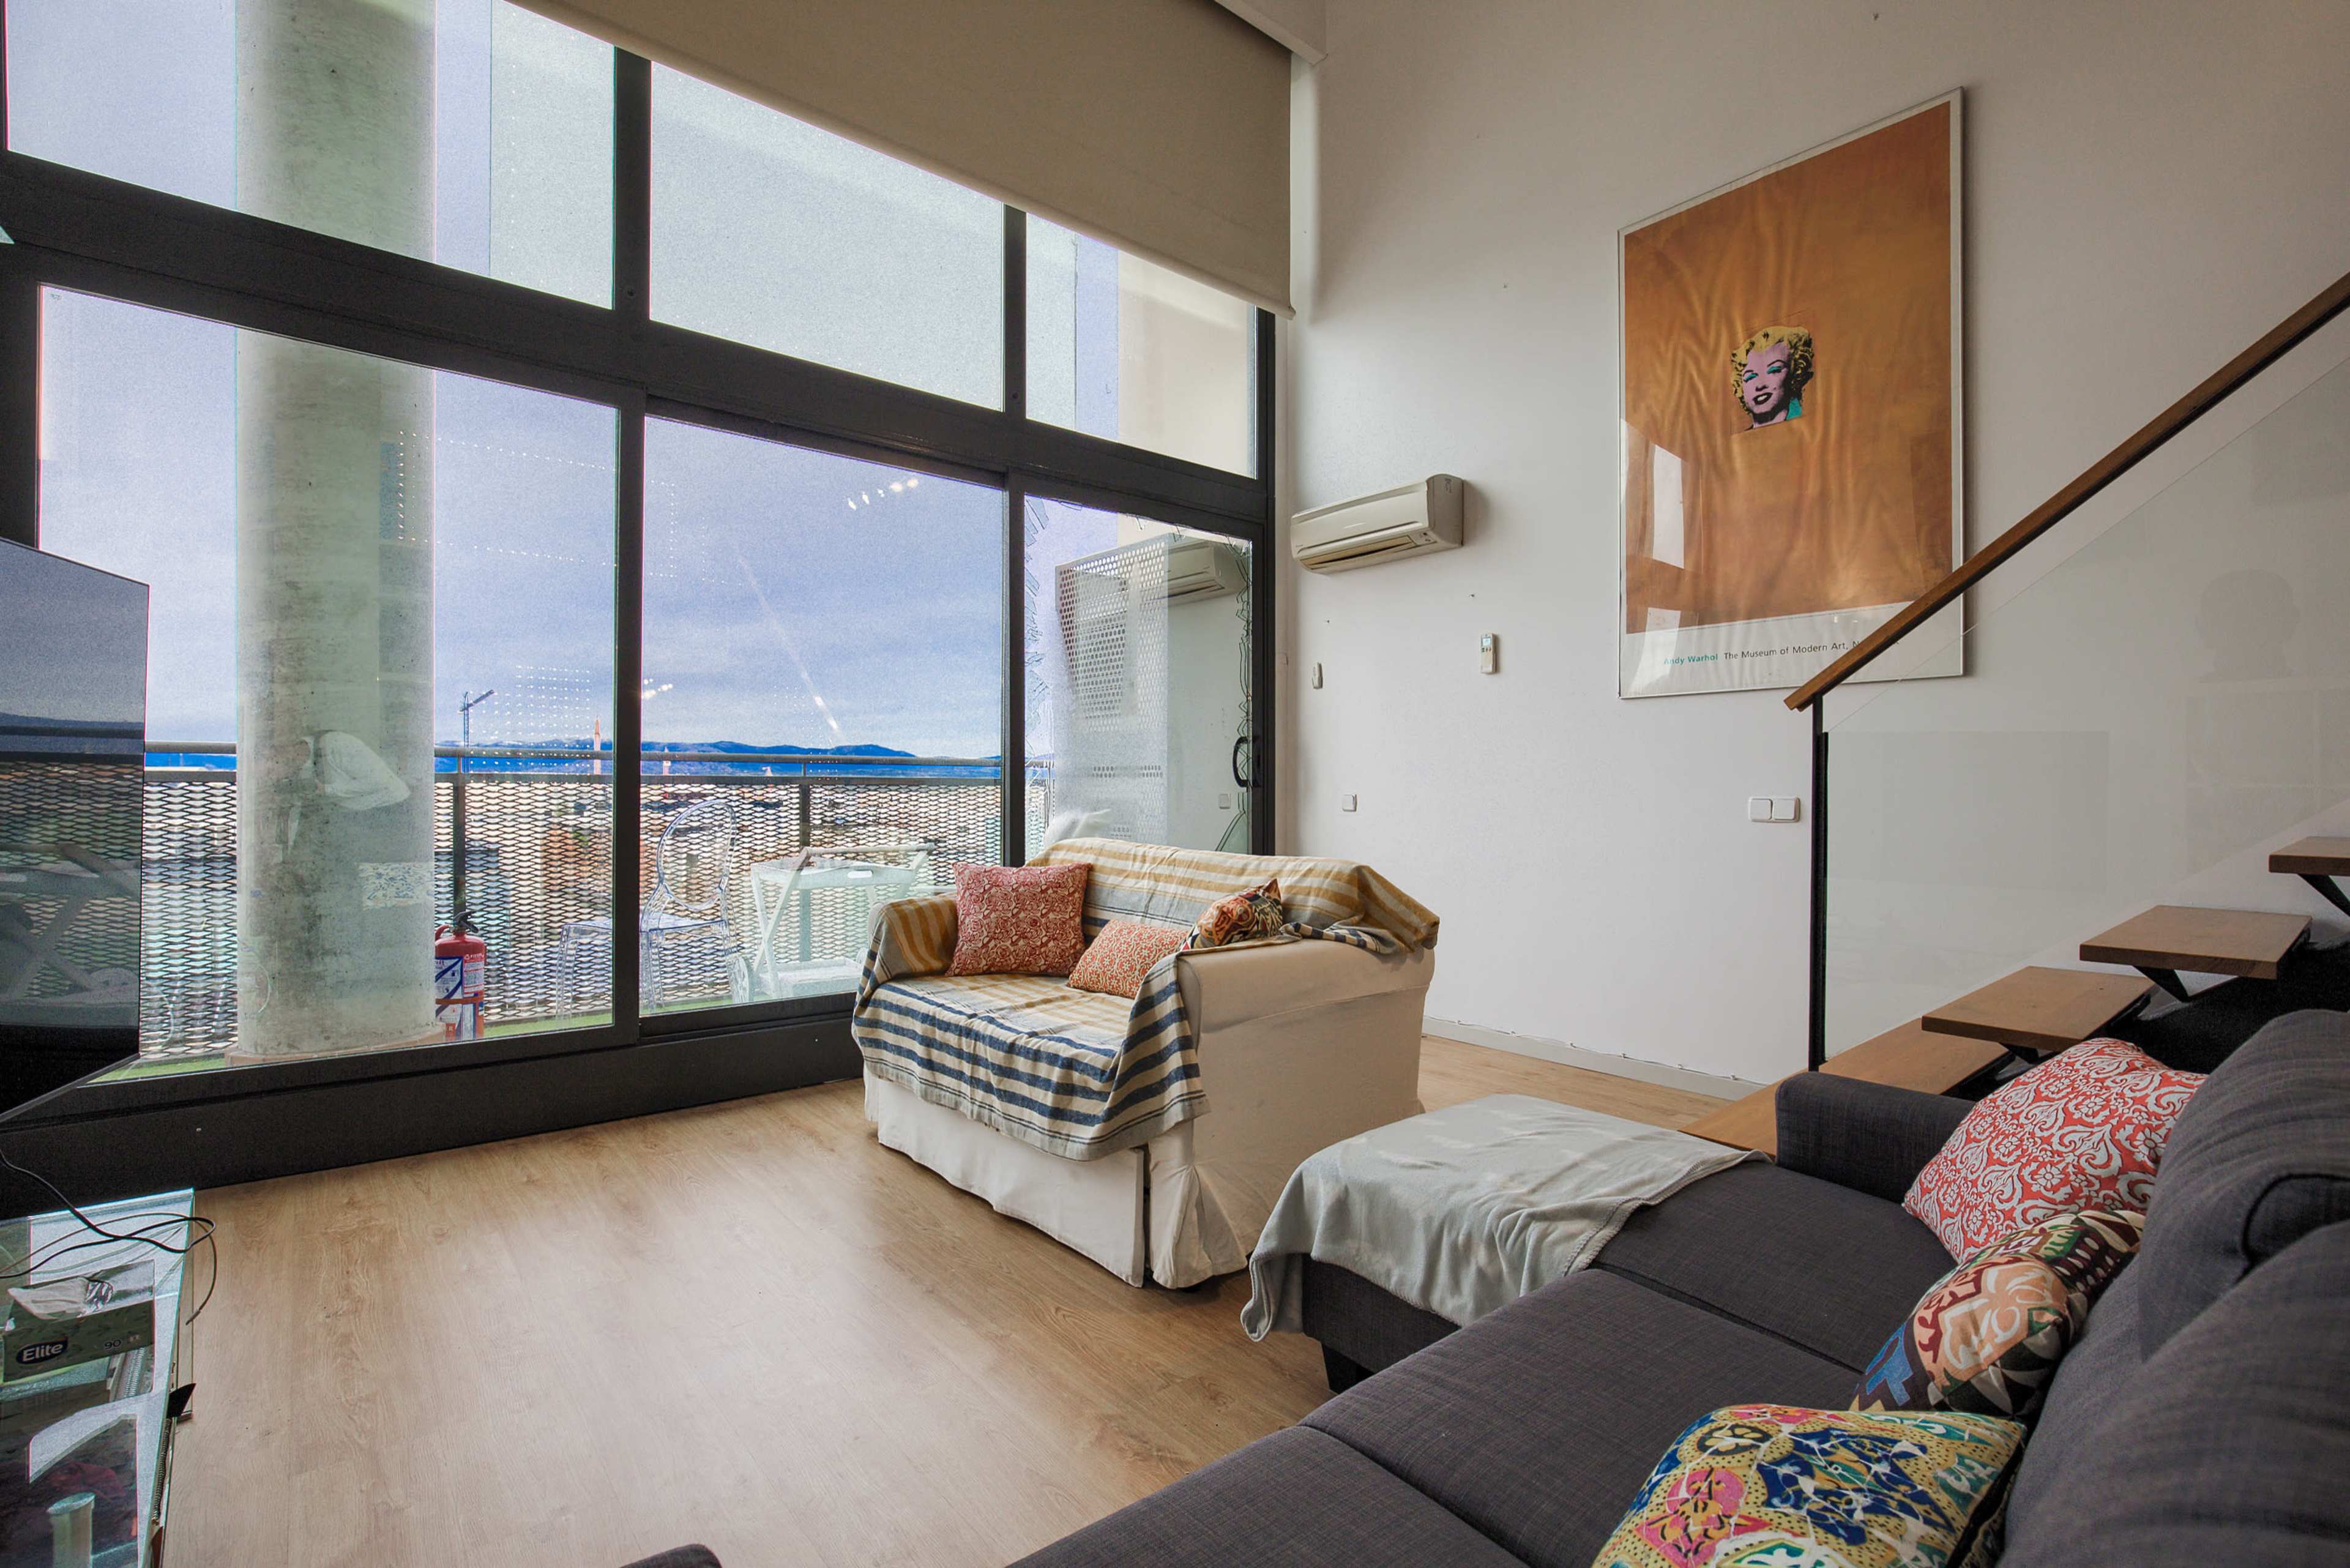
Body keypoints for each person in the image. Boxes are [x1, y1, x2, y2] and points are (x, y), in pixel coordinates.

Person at [1732, 326, 1814, 429]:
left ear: (1796, 373)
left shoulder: (1808, 428)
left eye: (1774, 371)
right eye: (1750, 377)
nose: (1760, 385)